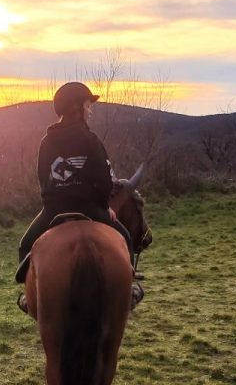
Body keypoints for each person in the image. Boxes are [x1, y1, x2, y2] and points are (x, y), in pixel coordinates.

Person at [16, 81, 143, 310]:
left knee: (25, 246)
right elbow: (105, 180)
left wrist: (53, 200)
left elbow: (42, 178)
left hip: (53, 210)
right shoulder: (91, 140)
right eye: (87, 104)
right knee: (126, 239)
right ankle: (129, 290)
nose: (90, 109)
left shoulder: (46, 142)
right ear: (77, 107)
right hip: (90, 208)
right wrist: (105, 206)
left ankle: (29, 297)